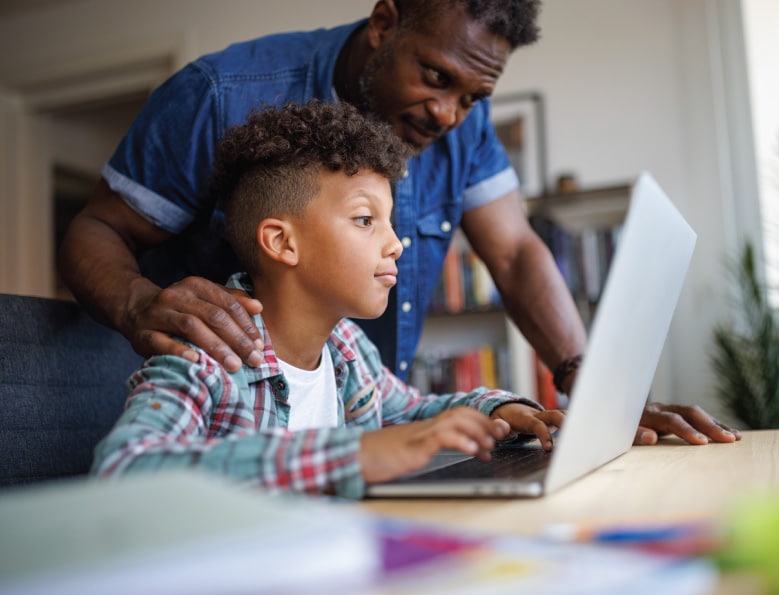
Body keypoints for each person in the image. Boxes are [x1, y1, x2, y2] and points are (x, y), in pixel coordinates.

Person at [62, 0, 740, 446]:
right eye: (435, 77)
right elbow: (97, 228)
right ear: (384, 24)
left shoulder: (350, 361)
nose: (448, 115)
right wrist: (138, 301)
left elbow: (513, 254)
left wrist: (587, 389)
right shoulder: (219, 95)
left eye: (474, 97)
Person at [91, 100, 565, 497]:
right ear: (282, 243)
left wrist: (500, 411)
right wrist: (355, 454)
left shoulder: (346, 348)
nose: (396, 243)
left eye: (390, 221)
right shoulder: (206, 354)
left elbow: (412, 413)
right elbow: (125, 470)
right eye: (365, 220)